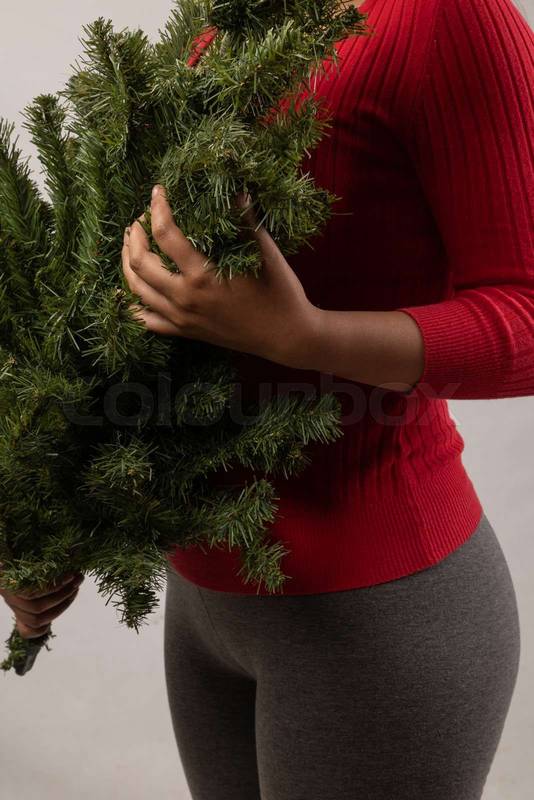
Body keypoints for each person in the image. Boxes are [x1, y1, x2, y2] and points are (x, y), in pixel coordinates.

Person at [3, 0, 531, 797]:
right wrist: (45, 521)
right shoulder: (231, 16)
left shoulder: (448, 16)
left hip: (377, 612)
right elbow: (157, 326)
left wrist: (305, 334)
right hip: (204, 606)